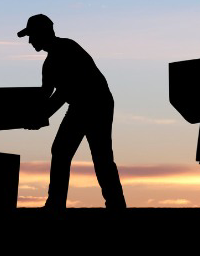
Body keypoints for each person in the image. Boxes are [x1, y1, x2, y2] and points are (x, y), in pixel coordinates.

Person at [18, 14, 126, 210]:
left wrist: (41, 117)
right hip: (80, 106)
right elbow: (45, 94)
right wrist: (25, 114)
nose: (30, 40)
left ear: (43, 33)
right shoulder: (49, 63)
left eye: (32, 35)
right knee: (63, 151)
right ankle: (58, 202)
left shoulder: (67, 48)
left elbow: (64, 92)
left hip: (96, 104)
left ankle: (114, 204)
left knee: (99, 155)